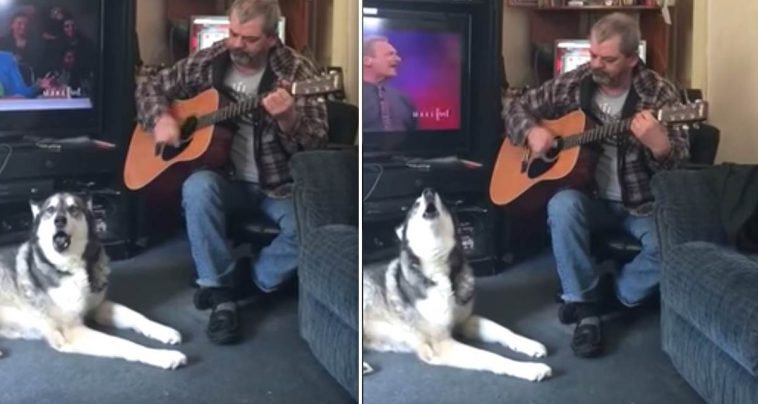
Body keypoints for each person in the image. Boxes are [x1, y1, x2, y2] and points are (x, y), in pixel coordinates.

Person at [135, 0, 327, 345]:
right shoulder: (212, 59)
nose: (237, 44)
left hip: (277, 186)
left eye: (249, 39)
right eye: (233, 33)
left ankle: (246, 281)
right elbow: (151, 85)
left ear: (271, 38)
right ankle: (221, 295)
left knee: (308, 230)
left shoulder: (298, 73)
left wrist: (289, 119)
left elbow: (316, 145)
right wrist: (161, 117)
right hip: (225, 178)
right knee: (197, 188)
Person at [503, 13, 688, 358]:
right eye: (592, 55)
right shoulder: (575, 83)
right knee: (562, 206)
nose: (596, 65)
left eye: (608, 59)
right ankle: (586, 310)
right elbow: (517, 107)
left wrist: (660, 146)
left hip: (641, 204)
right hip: (590, 197)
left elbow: (678, 166)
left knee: (672, 248)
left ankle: (613, 293)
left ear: (633, 58)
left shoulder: (659, 93)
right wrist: (533, 131)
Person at [362, 36, 417, 132]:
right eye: (390, 54)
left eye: (396, 54)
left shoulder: (403, 99)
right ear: (367, 61)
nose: (398, 59)